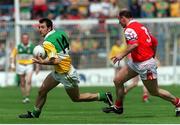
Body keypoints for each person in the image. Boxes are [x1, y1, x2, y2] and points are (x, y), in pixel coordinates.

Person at [18, 18, 113, 118]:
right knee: (42, 90)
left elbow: (56, 60)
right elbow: (61, 53)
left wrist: (42, 62)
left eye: (42, 27)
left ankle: (104, 96)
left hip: (66, 73)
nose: (40, 29)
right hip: (58, 71)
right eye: (39, 27)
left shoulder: (47, 42)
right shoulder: (61, 33)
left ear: (49, 28)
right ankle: (35, 113)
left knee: (76, 98)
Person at [103, 9, 180, 117]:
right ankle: (118, 106)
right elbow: (154, 41)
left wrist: (121, 54)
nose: (119, 23)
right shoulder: (141, 26)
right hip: (136, 62)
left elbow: (134, 44)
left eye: (119, 20)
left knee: (154, 92)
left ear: (123, 18)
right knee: (118, 80)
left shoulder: (129, 29)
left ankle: (177, 102)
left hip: (145, 64)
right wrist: (153, 56)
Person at [10, 33, 39, 103]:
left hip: (29, 65)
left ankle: (27, 96)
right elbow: (12, 56)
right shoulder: (18, 47)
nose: (25, 39)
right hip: (20, 65)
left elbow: (37, 57)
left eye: (26, 38)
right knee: (22, 82)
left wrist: (37, 67)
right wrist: (12, 65)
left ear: (28, 39)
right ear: (22, 39)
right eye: (24, 38)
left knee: (28, 81)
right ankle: (24, 96)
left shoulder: (32, 46)